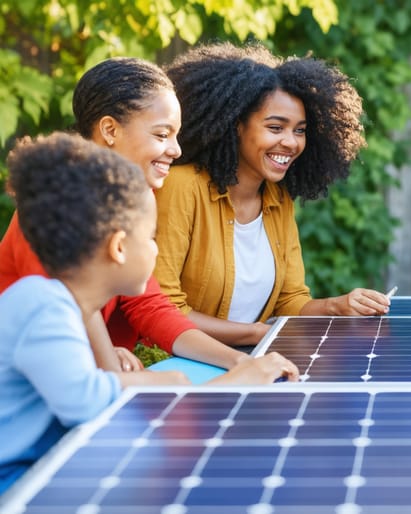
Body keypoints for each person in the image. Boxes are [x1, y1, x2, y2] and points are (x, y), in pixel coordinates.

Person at [0, 134, 300, 494]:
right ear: (119, 247)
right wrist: (218, 384)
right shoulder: (42, 304)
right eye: (151, 237)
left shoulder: (61, 305)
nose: (157, 250)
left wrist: (175, 381)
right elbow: (87, 403)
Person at [0, 58, 261, 375]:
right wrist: (106, 358)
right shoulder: (54, 207)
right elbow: (66, 311)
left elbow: (148, 305)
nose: (176, 150)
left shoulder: (131, 197)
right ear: (110, 130)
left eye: (176, 135)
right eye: (162, 134)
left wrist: (239, 361)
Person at [154, 43, 383, 346]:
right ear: (236, 125)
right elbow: (164, 308)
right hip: (181, 359)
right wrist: (255, 334)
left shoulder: (277, 198)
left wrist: (336, 306)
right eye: (276, 128)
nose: (291, 142)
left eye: (299, 130)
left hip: (253, 356)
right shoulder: (182, 187)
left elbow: (289, 302)